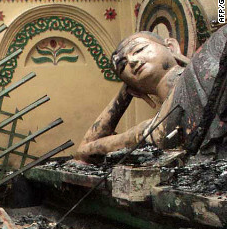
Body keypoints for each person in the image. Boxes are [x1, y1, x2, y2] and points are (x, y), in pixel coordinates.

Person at [75, 27, 227, 162]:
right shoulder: (157, 126)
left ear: (171, 47)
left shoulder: (204, 60)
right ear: (133, 90)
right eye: (123, 66)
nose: (132, 61)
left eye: (139, 50)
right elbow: (84, 150)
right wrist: (125, 93)